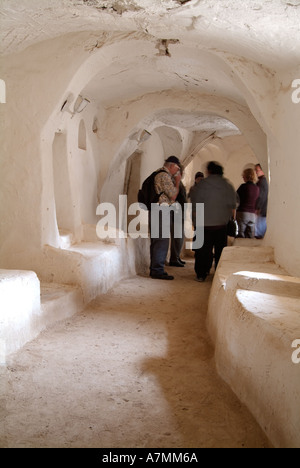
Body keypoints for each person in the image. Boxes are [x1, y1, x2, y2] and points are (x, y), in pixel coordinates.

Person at [190, 161, 237, 282]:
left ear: (209, 171)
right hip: (221, 224)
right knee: (220, 250)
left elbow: (195, 206)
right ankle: (218, 274)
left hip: (203, 224)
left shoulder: (202, 185)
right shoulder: (227, 185)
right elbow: (233, 206)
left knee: (202, 251)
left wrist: (195, 222)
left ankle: (201, 274)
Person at [149, 156, 182, 280]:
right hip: (161, 210)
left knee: (157, 240)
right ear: (172, 165)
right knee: (162, 241)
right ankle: (157, 270)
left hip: (157, 209)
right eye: (177, 168)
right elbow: (173, 196)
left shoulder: (159, 174)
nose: (177, 171)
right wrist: (177, 181)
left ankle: (155, 269)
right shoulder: (164, 176)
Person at [169, 165, 187, 267]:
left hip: (180, 212)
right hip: (176, 212)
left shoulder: (179, 182)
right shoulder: (174, 181)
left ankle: (176, 256)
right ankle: (174, 258)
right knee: (177, 236)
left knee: (180, 237)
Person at [236, 168, 260, 238]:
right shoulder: (257, 188)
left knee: (241, 234)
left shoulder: (243, 186)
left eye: (243, 175)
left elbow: (236, 198)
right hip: (253, 214)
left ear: (246, 176)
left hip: (242, 213)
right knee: (250, 236)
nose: (242, 177)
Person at [255, 164, 269, 239]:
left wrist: (258, 207)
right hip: (263, 209)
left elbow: (261, 196)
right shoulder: (262, 181)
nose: (256, 172)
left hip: (262, 210)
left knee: (259, 233)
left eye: (257, 170)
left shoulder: (262, 182)